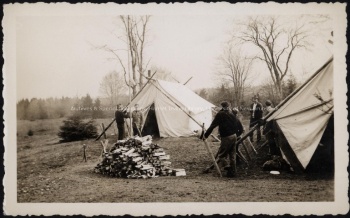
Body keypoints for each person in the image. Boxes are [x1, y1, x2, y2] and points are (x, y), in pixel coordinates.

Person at [202, 101, 244, 178]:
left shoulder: (220, 115)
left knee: (221, 155)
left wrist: (205, 135)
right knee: (232, 155)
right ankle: (233, 173)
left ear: (222, 107)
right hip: (234, 136)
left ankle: (227, 167)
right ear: (229, 106)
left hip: (226, 137)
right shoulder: (232, 114)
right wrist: (236, 135)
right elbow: (240, 127)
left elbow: (212, 126)